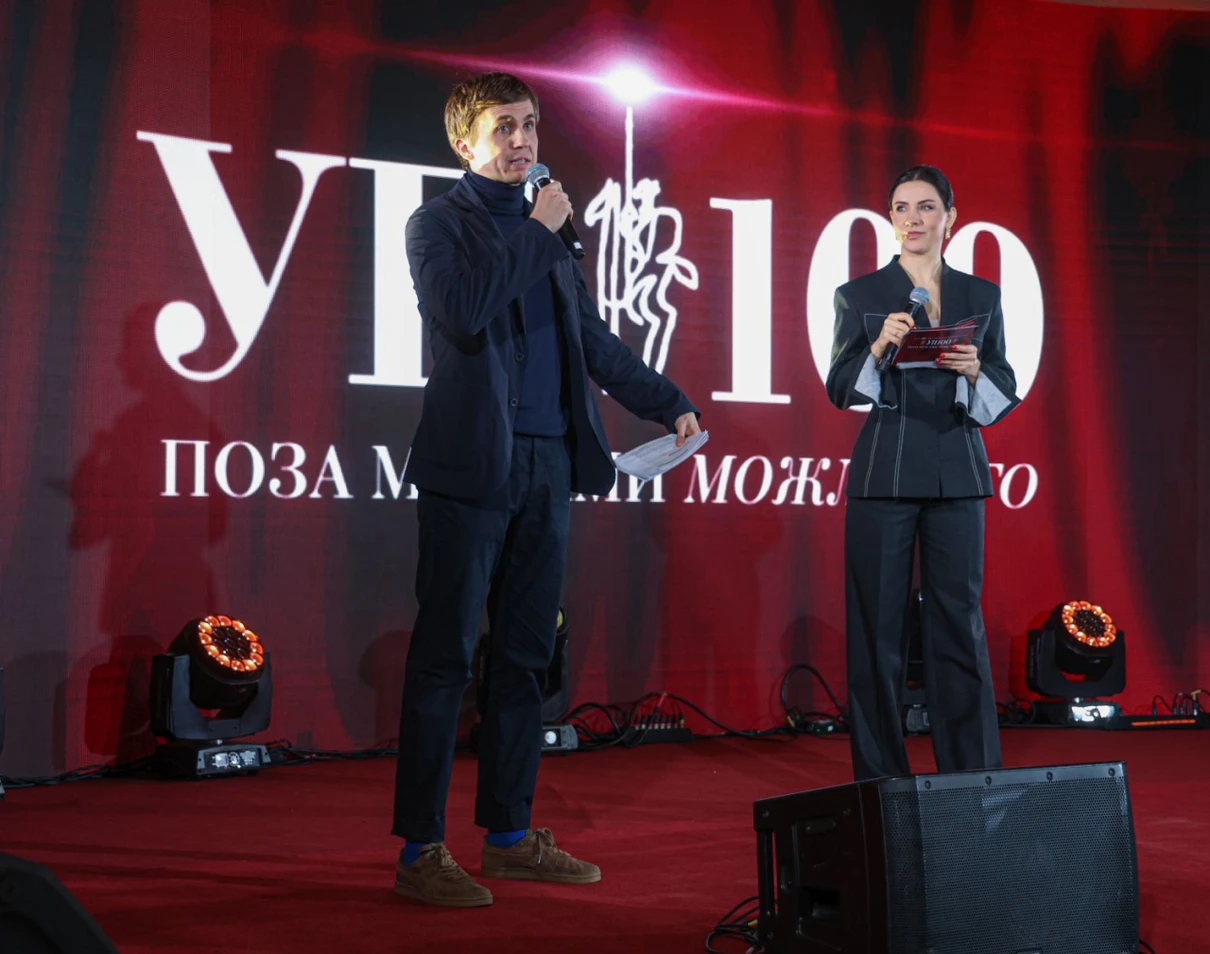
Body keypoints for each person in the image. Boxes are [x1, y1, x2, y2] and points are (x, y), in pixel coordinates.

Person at [391, 72, 701, 907]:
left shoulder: (550, 226)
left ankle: (508, 836)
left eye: (529, 124)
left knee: (526, 658)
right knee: (444, 658)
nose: (523, 140)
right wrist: (536, 230)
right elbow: (463, 312)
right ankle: (421, 848)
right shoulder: (437, 224)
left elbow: (589, 339)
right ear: (465, 141)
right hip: (470, 467)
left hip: (549, 465)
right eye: (504, 127)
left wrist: (667, 400)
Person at [825, 165, 1020, 782]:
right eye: (902, 208)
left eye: (926, 207)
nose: (913, 218)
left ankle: (973, 781)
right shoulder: (859, 294)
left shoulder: (981, 295)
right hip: (884, 471)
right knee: (876, 633)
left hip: (958, 470)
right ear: (891, 219)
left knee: (959, 627)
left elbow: (1004, 385)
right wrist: (877, 346)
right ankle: (881, 782)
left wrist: (974, 370)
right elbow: (838, 388)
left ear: (949, 218)